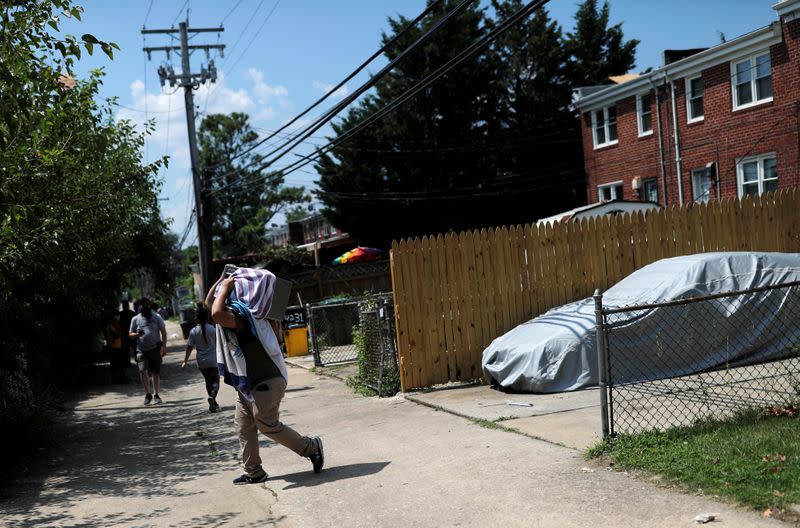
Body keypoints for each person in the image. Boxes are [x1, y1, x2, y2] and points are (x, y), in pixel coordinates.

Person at [206, 268, 324, 485]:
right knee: (243, 426)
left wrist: (224, 289)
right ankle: (254, 472)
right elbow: (209, 305)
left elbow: (215, 313)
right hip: (248, 384)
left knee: (267, 425)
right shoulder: (251, 313)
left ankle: (312, 447)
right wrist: (222, 281)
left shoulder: (244, 316)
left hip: (265, 381)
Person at [181, 302, 220, 413]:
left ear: (196, 318)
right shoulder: (212, 329)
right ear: (207, 317)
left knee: (208, 381)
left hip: (201, 362)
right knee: (216, 381)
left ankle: (213, 402)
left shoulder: (193, 331)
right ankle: (213, 397)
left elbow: (189, 347)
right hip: (213, 360)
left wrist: (185, 361)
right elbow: (220, 344)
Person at [129, 297, 168, 406]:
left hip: (155, 348)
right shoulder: (135, 319)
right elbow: (130, 334)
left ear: (150, 305)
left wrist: (164, 347)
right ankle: (148, 394)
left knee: (155, 372)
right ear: (140, 306)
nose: (146, 306)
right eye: (143, 304)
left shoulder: (157, 317)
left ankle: (156, 394)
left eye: (148, 304)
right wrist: (137, 334)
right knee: (142, 370)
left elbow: (164, 333)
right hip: (141, 349)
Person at [104, 312, 127, 384]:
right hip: (114, 347)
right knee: (116, 363)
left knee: (116, 363)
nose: (118, 318)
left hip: (116, 346)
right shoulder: (110, 327)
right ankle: (117, 379)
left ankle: (118, 378)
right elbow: (116, 335)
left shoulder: (113, 326)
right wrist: (121, 333)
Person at [119, 300, 136, 365]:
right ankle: (136, 361)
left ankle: (127, 362)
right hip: (130, 333)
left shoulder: (121, 314)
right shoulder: (132, 313)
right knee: (133, 348)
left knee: (126, 349)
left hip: (125, 334)